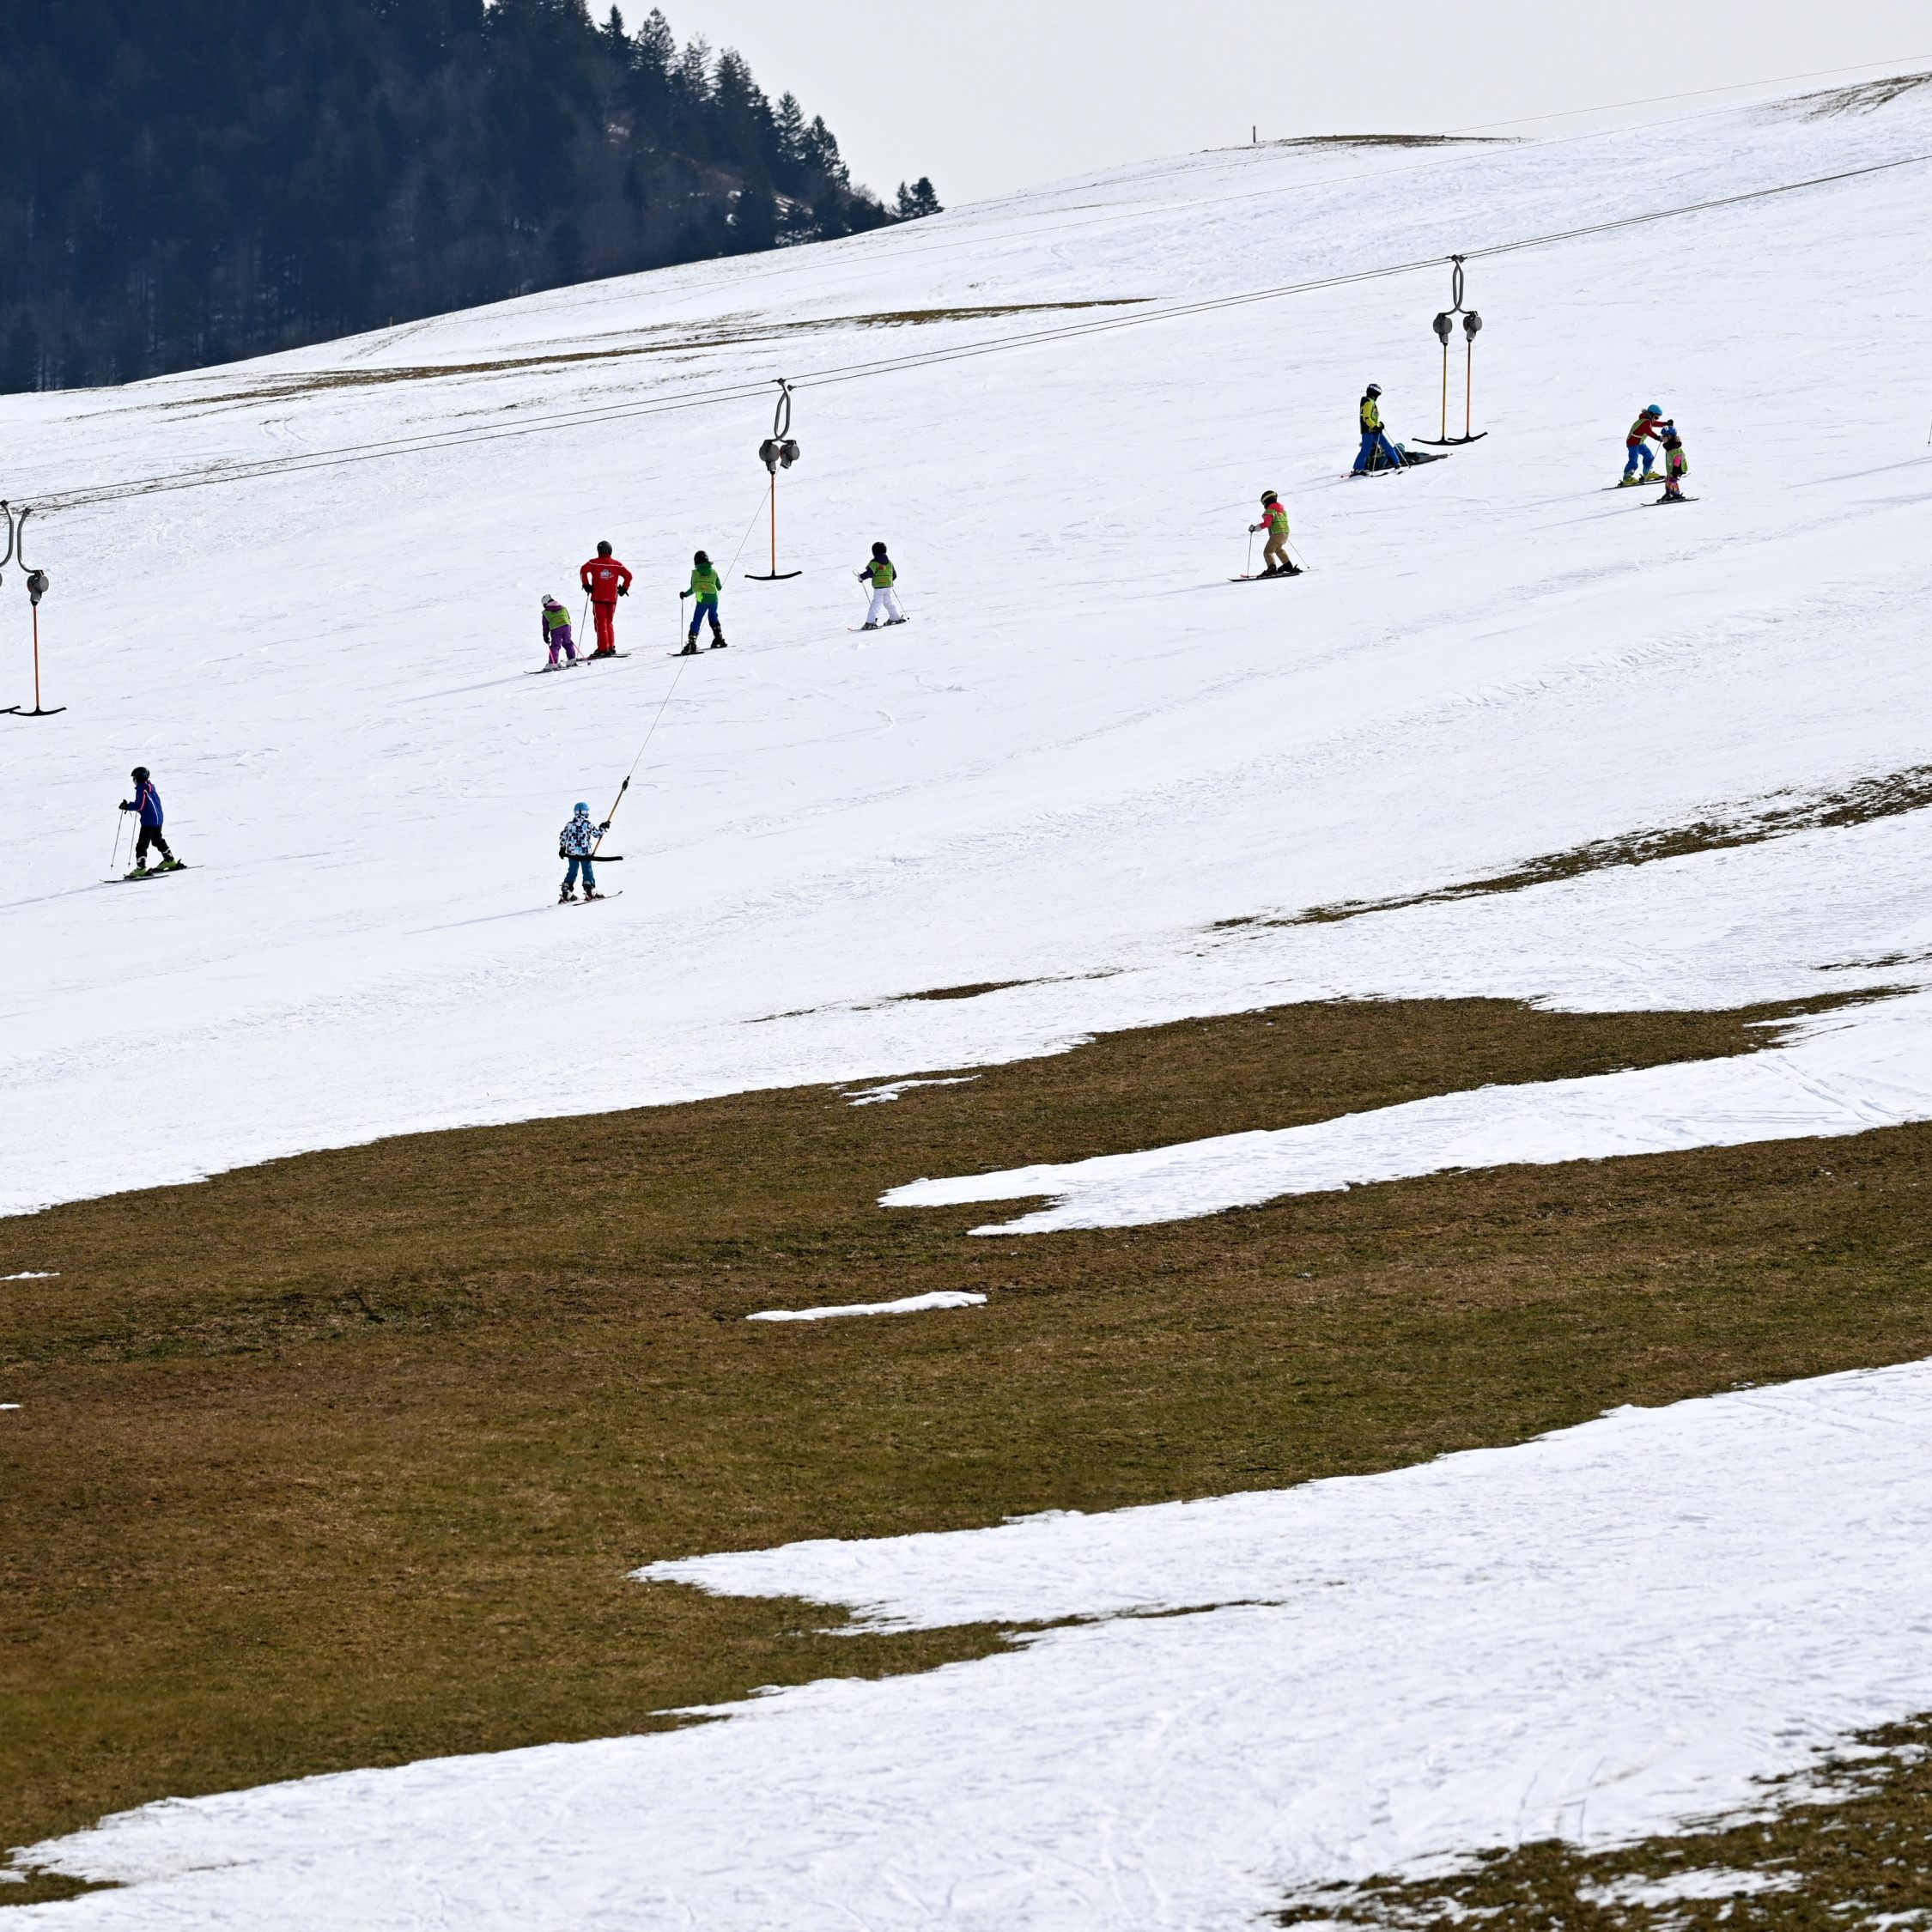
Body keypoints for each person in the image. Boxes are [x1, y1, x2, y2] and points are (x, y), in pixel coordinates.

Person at [118, 766, 181, 875]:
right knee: (157, 840)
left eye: (134, 779)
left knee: (141, 845)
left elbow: (140, 806)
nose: (133, 781)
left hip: (149, 821)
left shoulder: (142, 788)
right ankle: (170, 860)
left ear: (138, 778)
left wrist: (127, 806)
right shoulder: (150, 788)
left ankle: (141, 868)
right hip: (158, 819)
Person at [578, 541, 633, 656]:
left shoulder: (593, 563)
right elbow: (629, 576)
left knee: (601, 623)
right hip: (612, 599)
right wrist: (624, 588)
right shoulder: (616, 564)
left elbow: (583, 570)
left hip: (598, 598)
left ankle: (603, 649)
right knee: (609, 622)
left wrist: (586, 585)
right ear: (610, 550)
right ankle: (611, 647)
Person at [558, 801, 610, 902]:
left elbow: (563, 836)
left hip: (572, 854)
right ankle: (590, 890)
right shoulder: (588, 824)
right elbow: (597, 834)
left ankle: (566, 892)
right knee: (587, 871)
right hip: (585, 853)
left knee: (572, 871)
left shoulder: (569, 825)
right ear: (585, 813)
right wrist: (603, 827)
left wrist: (562, 848)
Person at [679, 550, 726, 653]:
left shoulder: (695, 573)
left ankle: (692, 644)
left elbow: (693, 589)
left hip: (702, 601)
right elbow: (719, 587)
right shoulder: (713, 572)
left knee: (697, 620)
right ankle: (719, 638)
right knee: (713, 617)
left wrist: (685, 594)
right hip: (714, 600)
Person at [1354, 384, 1403, 474]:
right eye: (1377, 395)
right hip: (1368, 431)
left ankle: (1396, 463)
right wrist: (1375, 426)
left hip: (1375, 430)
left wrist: (1380, 425)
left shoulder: (1372, 402)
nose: (1377, 397)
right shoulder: (1368, 402)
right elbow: (1366, 418)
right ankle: (1358, 468)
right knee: (1366, 450)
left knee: (1386, 446)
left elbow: (1373, 418)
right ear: (1374, 393)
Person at [1248, 491, 1300, 577]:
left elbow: (1267, 524)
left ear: (1267, 502)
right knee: (1278, 549)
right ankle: (1288, 565)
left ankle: (1272, 569)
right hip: (1285, 533)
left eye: (1264, 504)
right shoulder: (1282, 511)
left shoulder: (1270, 510)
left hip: (1276, 534)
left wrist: (1255, 528)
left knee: (1268, 551)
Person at [856, 542, 906, 628]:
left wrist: (861, 577)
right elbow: (894, 575)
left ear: (874, 552)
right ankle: (895, 617)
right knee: (889, 603)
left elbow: (870, 573)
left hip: (879, 588)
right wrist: (888, 581)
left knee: (876, 604)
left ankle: (870, 622)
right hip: (888, 587)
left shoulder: (874, 562)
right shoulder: (890, 563)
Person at [1622, 404, 1668, 483]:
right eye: (1656, 417)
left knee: (1649, 456)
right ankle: (1627, 478)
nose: (1656, 419)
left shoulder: (1647, 420)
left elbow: (1654, 423)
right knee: (1633, 461)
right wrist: (1658, 437)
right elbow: (1649, 432)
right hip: (1633, 443)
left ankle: (1647, 473)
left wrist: (1665, 423)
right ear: (1651, 414)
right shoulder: (1645, 422)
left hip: (1640, 443)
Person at [540, 594, 577, 666]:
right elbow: (568, 618)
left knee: (555, 646)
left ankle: (553, 663)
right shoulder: (563, 608)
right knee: (568, 642)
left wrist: (545, 635)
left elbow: (545, 626)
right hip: (566, 626)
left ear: (545, 604)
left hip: (556, 628)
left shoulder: (546, 612)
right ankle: (572, 659)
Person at [1659, 423, 1689, 501]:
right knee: (1669, 480)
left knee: (1671, 481)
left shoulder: (1674, 447)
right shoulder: (1669, 446)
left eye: (1664, 436)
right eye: (1662, 436)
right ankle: (1672, 494)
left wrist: (1675, 471)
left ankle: (1672, 495)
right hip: (1672, 468)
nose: (1662, 438)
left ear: (1670, 437)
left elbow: (1678, 459)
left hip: (1678, 468)